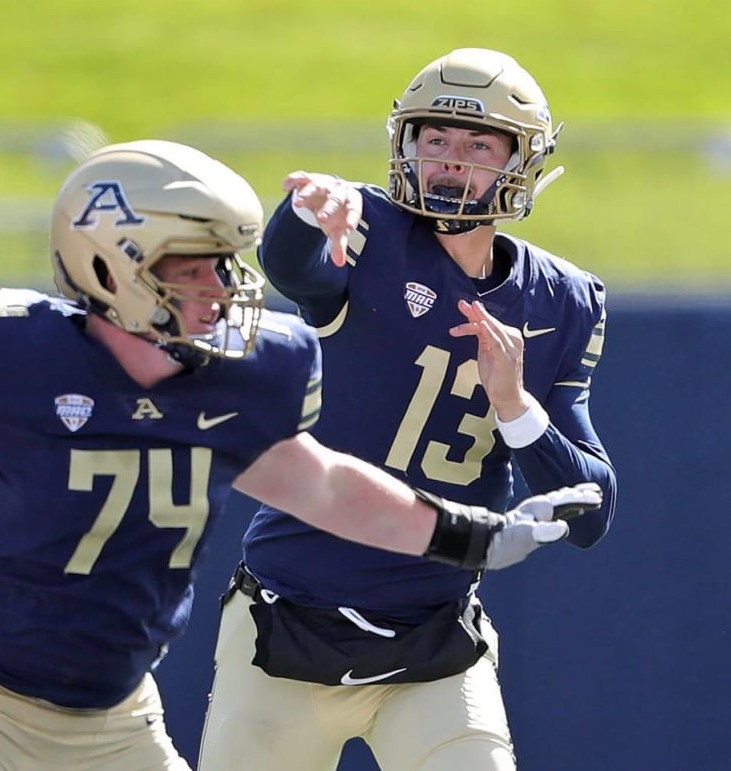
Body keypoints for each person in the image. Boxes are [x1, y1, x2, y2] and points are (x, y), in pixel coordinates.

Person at [0, 138, 601, 771]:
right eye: (196, 267)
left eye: (225, 265)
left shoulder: (239, 378)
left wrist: (478, 537)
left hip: (114, 717)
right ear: (114, 263)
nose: (222, 288)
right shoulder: (10, 355)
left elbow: (327, 486)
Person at [197, 48, 617, 771]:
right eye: (435, 139)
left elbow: (590, 512)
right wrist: (305, 214)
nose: (451, 161)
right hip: (291, 624)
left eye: (478, 145)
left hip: (436, 642)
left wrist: (515, 407)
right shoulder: (370, 231)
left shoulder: (563, 301)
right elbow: (292, 266)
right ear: (406, 145)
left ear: (523, 159)